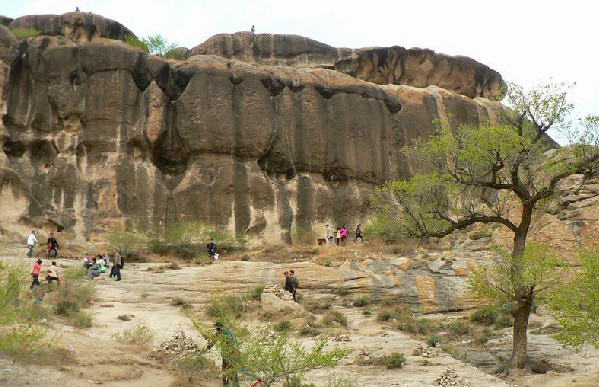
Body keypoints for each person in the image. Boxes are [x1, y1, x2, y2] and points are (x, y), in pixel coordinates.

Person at [206, 321, 240, 386]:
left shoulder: (221, 332)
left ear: (219, 328)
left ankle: (226, 384)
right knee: (232, 369)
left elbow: (214, 340)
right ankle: (235, 384)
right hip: (232, 353)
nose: (216, 329)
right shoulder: (228, 330)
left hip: (227, 354)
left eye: (216, 328)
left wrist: (209, 346)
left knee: (225, 369)